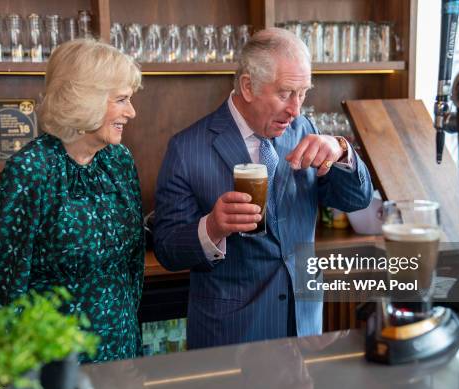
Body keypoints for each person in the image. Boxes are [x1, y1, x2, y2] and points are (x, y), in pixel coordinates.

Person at [154, 28, 373, 349]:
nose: (296, 109)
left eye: (303, 93)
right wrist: (212, 227)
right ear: (248, 86)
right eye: (285, 94)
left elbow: (356, 199)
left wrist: (341, 150)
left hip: (304, 327)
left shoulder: (305, 129)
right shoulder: (186, 149)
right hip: (231, 339)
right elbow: (167, 249)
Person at [0, 39, 144, 363]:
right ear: (87, 100)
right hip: (54, 359)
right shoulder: (30, 170)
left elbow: (133, 266)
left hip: (122, 349)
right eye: (122, 100)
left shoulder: (119, 160)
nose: (131, 112)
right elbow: (3, 287)